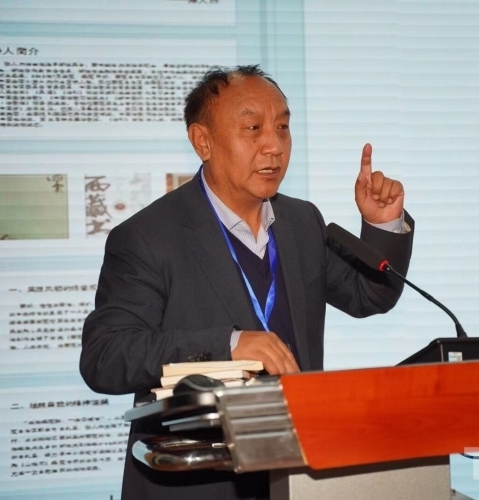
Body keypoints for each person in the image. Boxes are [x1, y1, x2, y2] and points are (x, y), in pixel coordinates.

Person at [80, 65, 414, 500]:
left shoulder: (302, 221)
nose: (274, 146)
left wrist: (383, 225)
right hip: (197, 483)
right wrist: (229, 345)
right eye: (253, 128)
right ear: (202, 141)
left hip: (296, 477)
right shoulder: (148, 237)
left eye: (283, 128)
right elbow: (105, 357)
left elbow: (370, 295)